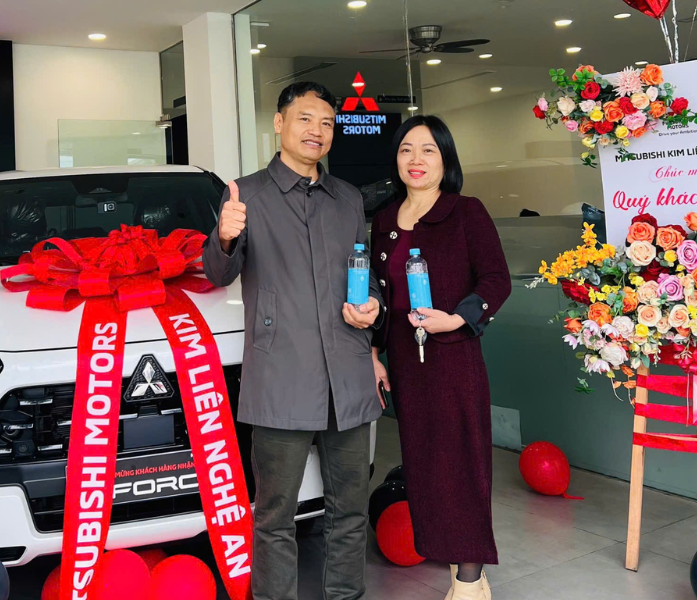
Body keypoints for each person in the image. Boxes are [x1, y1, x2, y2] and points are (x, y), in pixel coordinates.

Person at [202, 82, 385, 600]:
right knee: (275, 515)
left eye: (327, 123)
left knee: (350, 509)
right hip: (281, 376)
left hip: (347, 376)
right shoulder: (246, 195)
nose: (316, 131)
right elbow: (218, 273)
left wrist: (373, 304)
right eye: (305, 119)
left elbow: (364, 274)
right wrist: (224, 236)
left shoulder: (347, 199)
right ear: (279, 123)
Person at [370, 115, 511, 600]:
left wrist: (457, 318)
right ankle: (455, 563)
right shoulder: (385, 219)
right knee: (426, 466)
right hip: (406, 363)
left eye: (428, 150)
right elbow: (378, 296)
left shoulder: (466, 211)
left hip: (453, 360)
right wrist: (373, 352)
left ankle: (470, 581)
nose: (416, 159)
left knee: (463, 465)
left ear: (445, 159)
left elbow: (496, 280)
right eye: (406, 149)